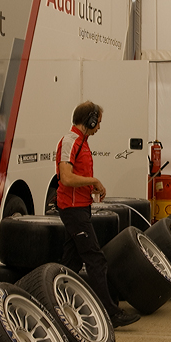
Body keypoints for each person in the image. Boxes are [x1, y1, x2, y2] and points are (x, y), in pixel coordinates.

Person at [56, 101, 140, 328]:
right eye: (98, 122)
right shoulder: (70, 141)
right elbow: (66, 178)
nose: (99, 127)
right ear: (90, 120)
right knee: (96, 259)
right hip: (72, 209)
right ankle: (110, 313)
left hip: (80, 207)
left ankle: (55, 306)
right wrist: (94, 180)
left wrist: (90, 187)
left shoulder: (82, 142)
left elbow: (76, 178)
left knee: (70, 263)